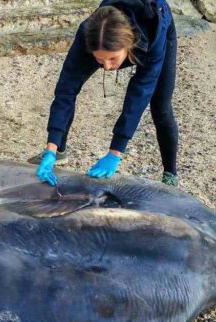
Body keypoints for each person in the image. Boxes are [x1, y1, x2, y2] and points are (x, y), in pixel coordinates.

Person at [30, 0, 180, 187]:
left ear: (129, 44)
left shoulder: (154, 31)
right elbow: (65, 91)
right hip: (109, 38)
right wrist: (50, 147)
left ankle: (170, 174)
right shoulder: (89, 33)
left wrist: (115, 152)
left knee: (161, 105)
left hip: (158, 26)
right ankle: (58, 152)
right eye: (100, 60)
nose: (107, 67)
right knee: (69, 89)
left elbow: (140, 92)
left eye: (112, 59)